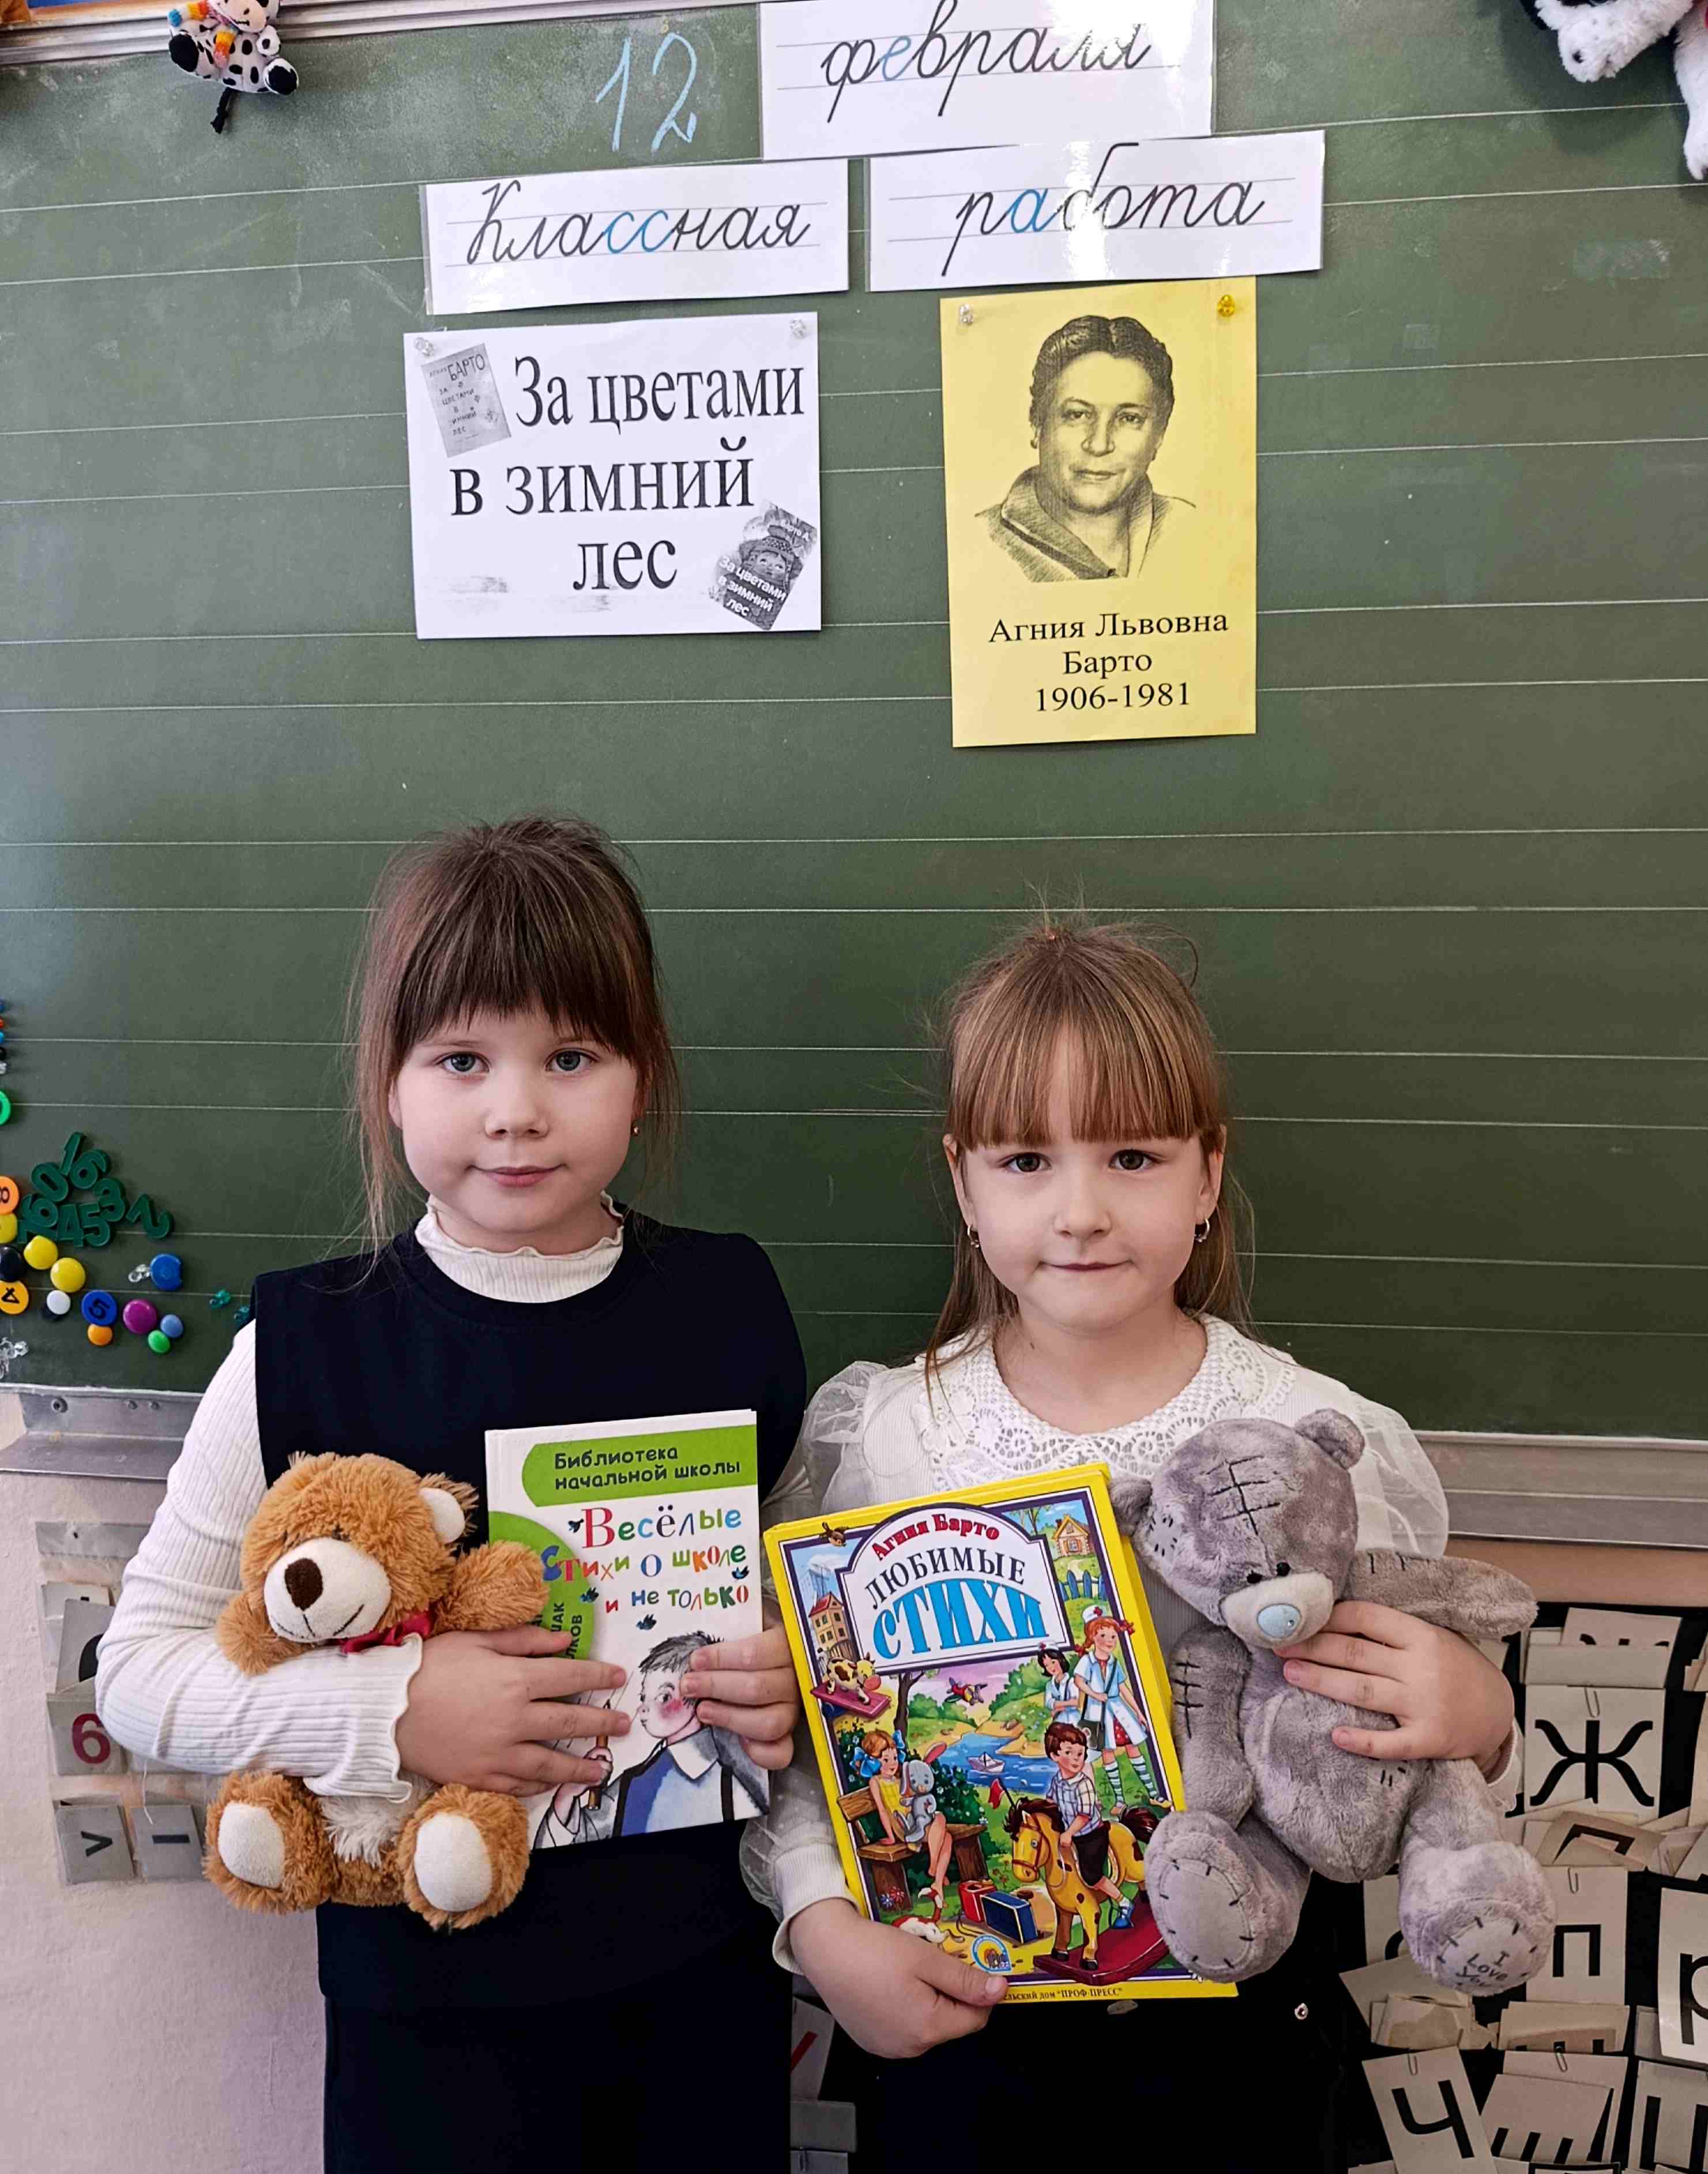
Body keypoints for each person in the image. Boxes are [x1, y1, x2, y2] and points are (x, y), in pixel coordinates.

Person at [742, 918, 1521, 2169]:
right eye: (1024, 1159)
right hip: (964, 2039)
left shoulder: (1314, 1439)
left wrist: (1476, 1712)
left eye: (1134, 1156)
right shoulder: (887, 1436)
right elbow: (806, 1741)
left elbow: (1408, 1748)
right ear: (963, 1185)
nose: (1081, 1210)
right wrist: (821, 1924)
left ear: (1208, 1174)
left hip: (1243, 2043)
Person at [95, 815, 807, 2174]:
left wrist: (784, 1683)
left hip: (699, 1991)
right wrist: (394, 1709)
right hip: (429, 2022)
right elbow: (136, 1673)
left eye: (571, 1057)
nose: (515, 1110)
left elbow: (789, 1604)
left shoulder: (729, 1303)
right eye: (462, 1059)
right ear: (391, 1081)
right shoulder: (303, 1343)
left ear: (641, 1076)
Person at [976, 314, 1191, 584]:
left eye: (1129, 418)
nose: (1099, 445)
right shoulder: (979, 542)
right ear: (1037, 423)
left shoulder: (1194, 530)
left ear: (1159, 435)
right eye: (1077, 415)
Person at [612, 1631, 770, 1834]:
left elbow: (757, 1831)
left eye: (664, 1697)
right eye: (643, 1697)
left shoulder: (724, 1784)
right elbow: (590, 1828)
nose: (642, 1709)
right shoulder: (634, 1778)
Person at [1070, 1604, 1162, 1809]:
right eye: (1103, 1636)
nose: (1110, 1641)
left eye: (1113, 1636)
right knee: (1107, 1752)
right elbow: (1079, 1681)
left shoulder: (1114, 1662)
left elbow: (1123, 1688)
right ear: (1093, 1637)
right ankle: (1120, 1800)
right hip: (1098, 1713)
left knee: (1132, 1747)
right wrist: (1095, 1694)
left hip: (1119, 1711)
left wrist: (1138, 1712)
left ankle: (1154, 1794)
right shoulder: (1087, 1661)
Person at [1042, 1720, 1130, 1927]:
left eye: (1080, 1754)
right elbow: (1051, 1803)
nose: (1076, 1759)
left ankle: (1123, 1902)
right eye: (1069, 1753)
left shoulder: (1084, 1785)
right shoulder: (1057, 1781)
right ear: (1054, 1756)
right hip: (1069, 1834)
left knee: (1091, 1876)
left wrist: (1069, 1833)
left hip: (1090, 1835)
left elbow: (1085, 1815)